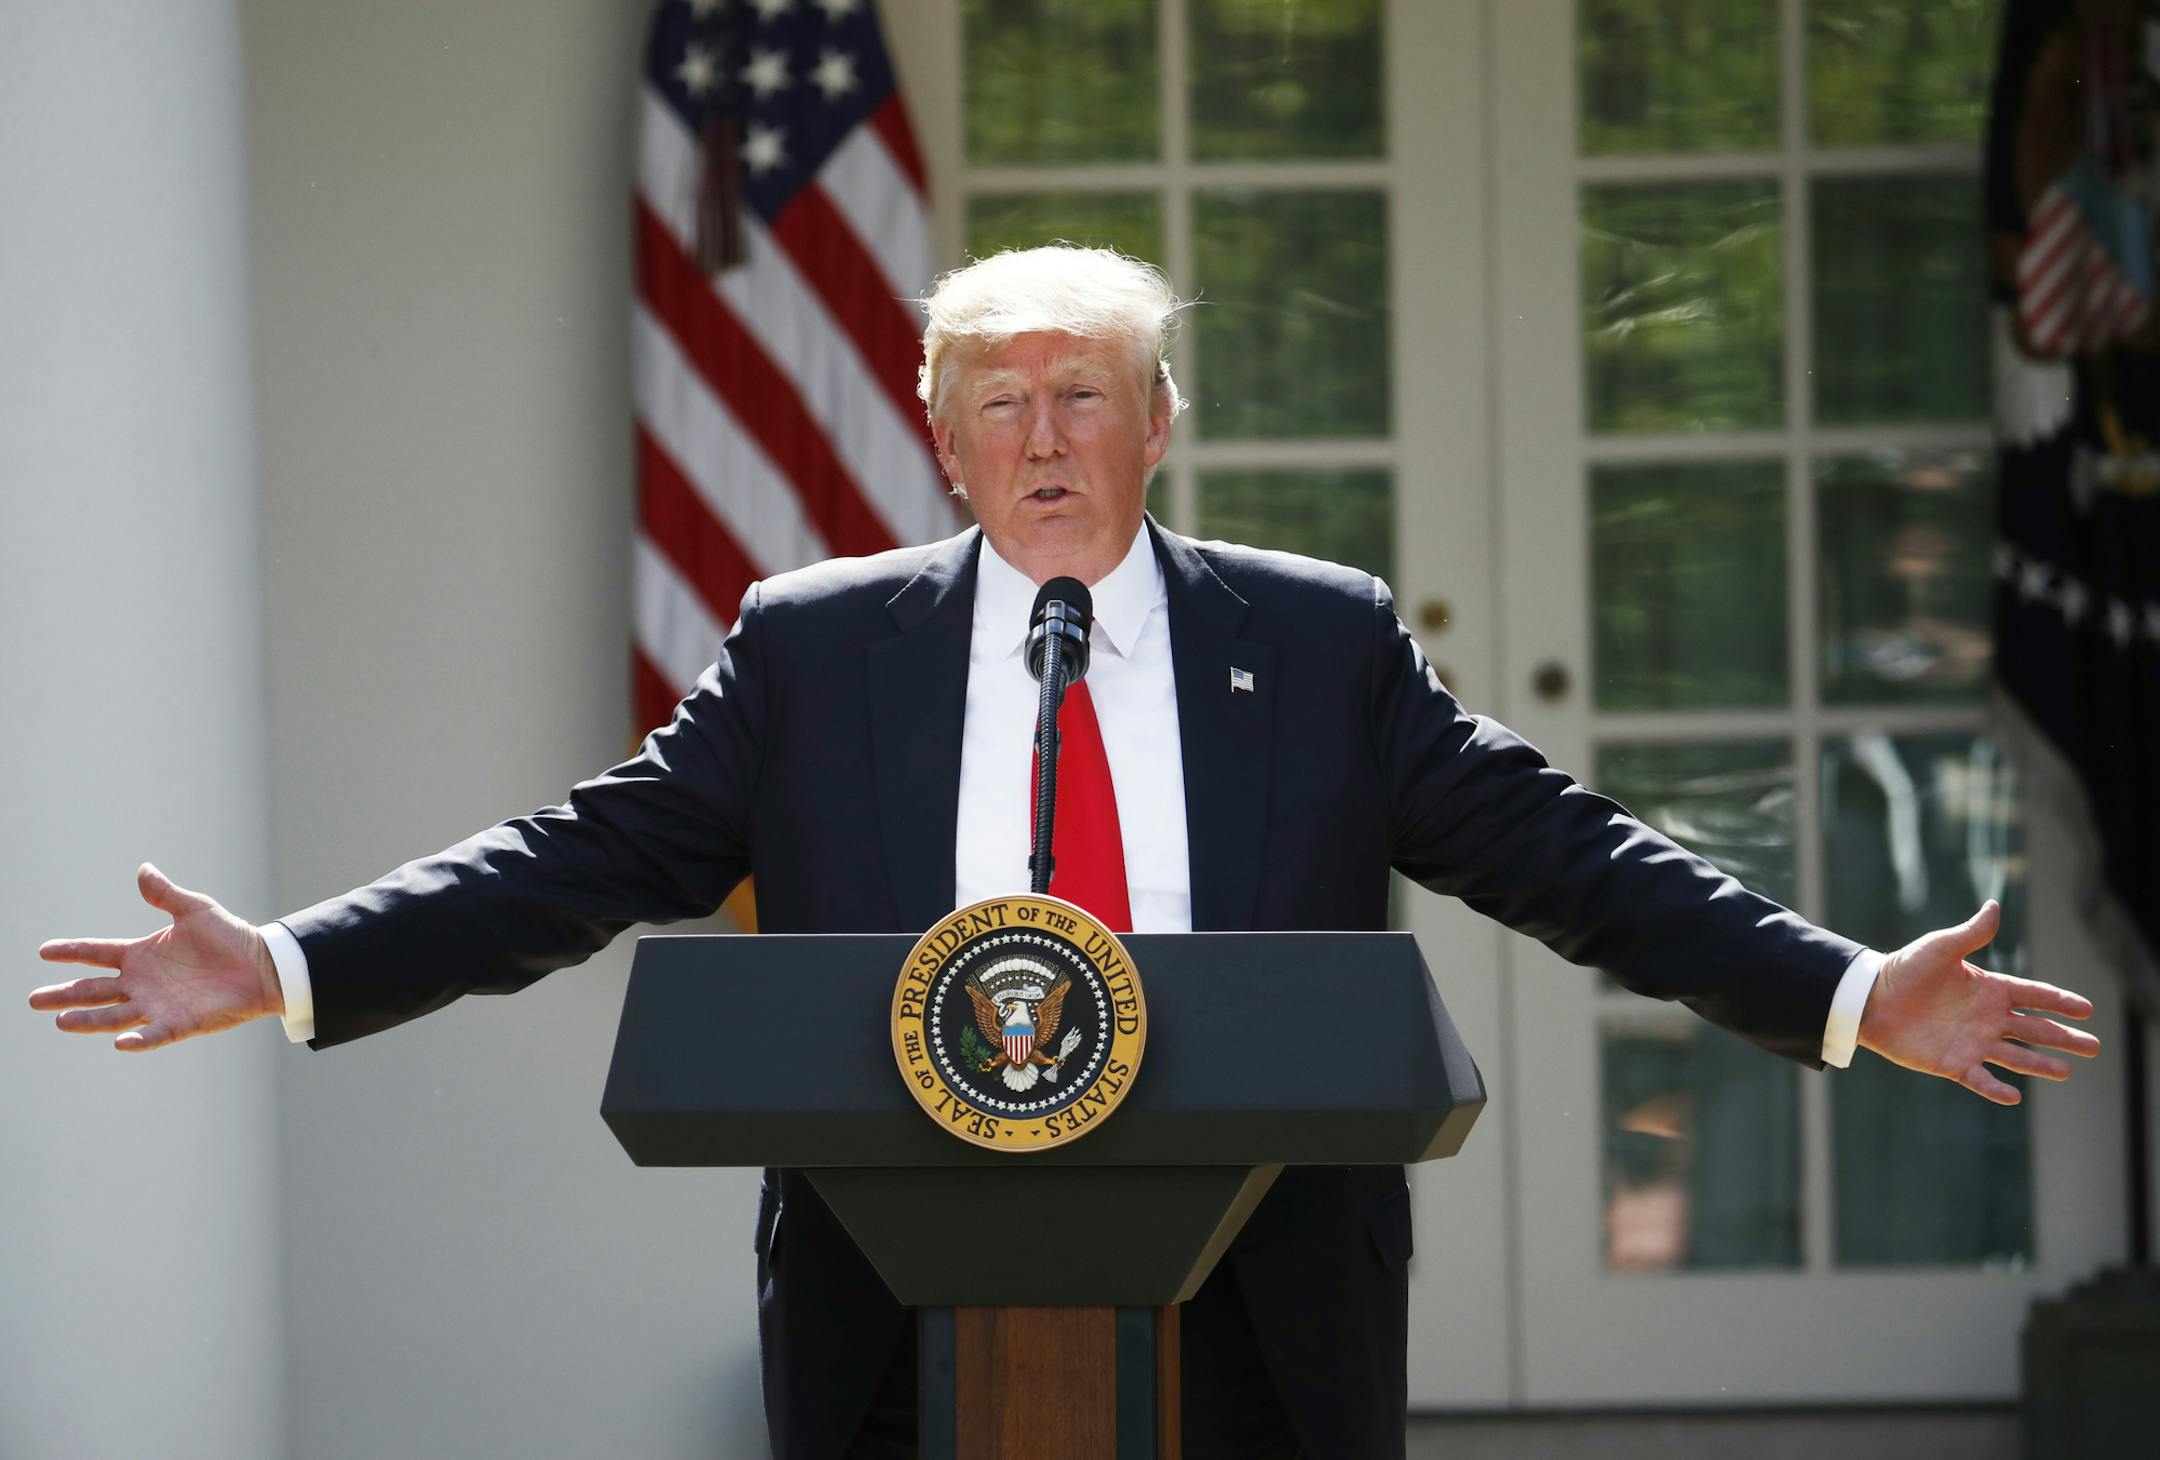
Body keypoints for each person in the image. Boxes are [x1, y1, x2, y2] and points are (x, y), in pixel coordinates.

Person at [31, 246, 2101, 1460]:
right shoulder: (816, 644)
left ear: (1158, 421)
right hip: (901, 1287)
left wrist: (1841, 989)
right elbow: (595, 852)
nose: (1042, 435)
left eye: (1084, 394)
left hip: (1265, 1282)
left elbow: (1563, 852)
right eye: (998, 397)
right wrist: (295, 963)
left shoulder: (1318, 636)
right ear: (937, 433)